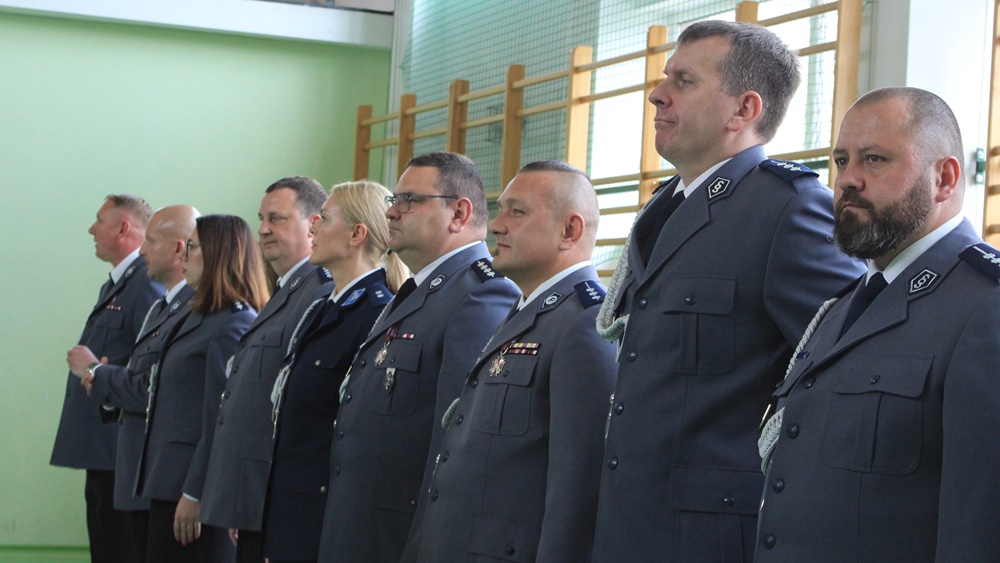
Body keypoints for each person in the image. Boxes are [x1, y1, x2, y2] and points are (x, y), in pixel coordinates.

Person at [592, 20, 866, 561]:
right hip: (628, 521)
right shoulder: (662, 208)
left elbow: (845, 372)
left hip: (709, 535)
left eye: (684, 81)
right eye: (665, 77)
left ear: (744, 110)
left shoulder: (786, 209)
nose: (657, 94)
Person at [755, 87, 1000, 561]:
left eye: (874, 159)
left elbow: (981, 524)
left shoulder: (985, 307)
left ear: (945, 178)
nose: (848, 179)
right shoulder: (843, 307)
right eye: (841, 160)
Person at [403, 161, 617, 562]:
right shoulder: (525, 313)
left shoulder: (583, 324)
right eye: (500, 210)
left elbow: (577, 492)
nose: (497, 226)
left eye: (517, 212)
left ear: (569, 231)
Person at [318, 152, 520, 562]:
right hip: (358, 529)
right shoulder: (418, 291)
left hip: (400, 541)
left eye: (408, 200)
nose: (391, 212)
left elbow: (454, 445)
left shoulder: (480, 294)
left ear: (458, 213)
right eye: (394, 200)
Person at [260, 180, 408, 562]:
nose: (313, 227)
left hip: (323, 517)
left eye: (324, 219)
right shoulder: (324, 309)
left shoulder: (377, 314)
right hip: (291, 509)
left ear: (357, 234)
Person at [199, 177, 333, 563]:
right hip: (254, 497)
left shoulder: (320, 293)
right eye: (261, 219)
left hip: (276, 496)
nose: (263, 229)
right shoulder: (287, 291)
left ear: (313, 224)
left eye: (277, 218)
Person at [66, 204, 200, 561]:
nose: (142, 252)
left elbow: (161, 387)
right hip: (121, 451)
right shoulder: (155, 299)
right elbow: (145, 369)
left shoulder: (156, 291)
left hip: (142, 459)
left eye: (150, 242)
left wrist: (98, 373)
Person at [134, 214, 268, 563]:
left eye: (191, 248)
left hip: (193, 491)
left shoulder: (233, 322)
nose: (182, 256)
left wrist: (196, 492)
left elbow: (221, 420)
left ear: (217, 255)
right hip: (168, 481)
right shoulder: (197, 315)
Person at [51, 194, 164, 563]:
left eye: (99, 221)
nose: (91, 229)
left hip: (121, 451)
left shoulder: (145, 283)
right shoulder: (121, 283)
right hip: (104, 450)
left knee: (120, 550)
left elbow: (152, 366)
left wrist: (95, 370)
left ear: (123, 228)